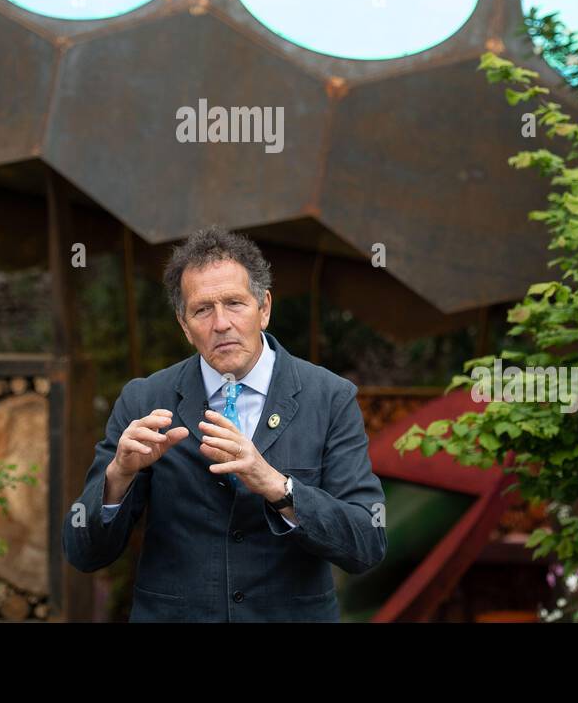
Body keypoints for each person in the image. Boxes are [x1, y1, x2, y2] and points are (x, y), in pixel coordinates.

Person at [62, 225, 386, 621]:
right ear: (184, 325)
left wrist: (276, 486)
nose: (221, 324)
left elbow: (367, 543)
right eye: (202, 309)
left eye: (235, 303)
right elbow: (83, 552)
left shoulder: (330, 397)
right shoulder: (145, 400)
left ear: (264, 308)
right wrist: (118, 477)